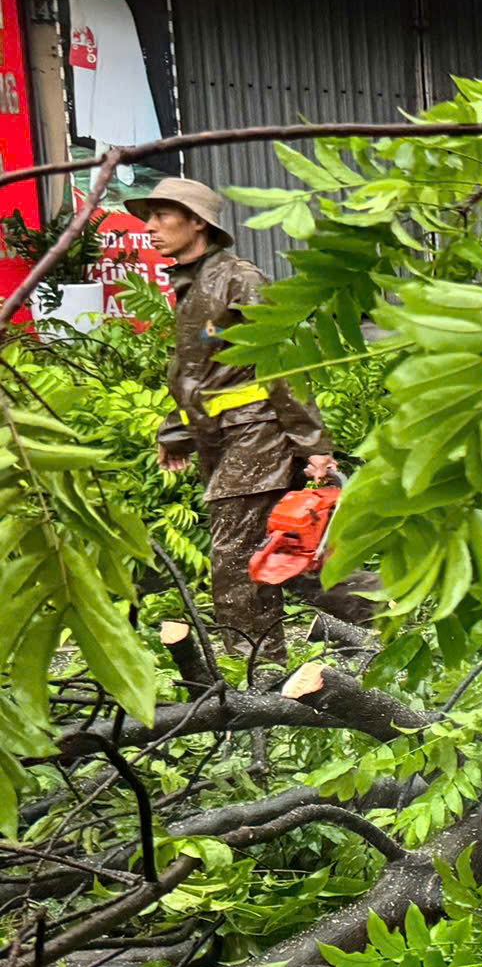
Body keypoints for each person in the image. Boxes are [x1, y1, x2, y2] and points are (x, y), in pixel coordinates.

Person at [145, 176, 344, 654]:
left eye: (162, 215)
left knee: (235, 562)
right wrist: (175, 433)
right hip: (225, 438)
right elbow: (196, 372)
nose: (150, 227)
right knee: (290, 554)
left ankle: (256, 681)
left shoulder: (239, 279)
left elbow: (283, 360)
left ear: (197, 222)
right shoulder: (193, 286)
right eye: (148, 217)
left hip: (258, 435)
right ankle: (395, 612)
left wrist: (313, 446)